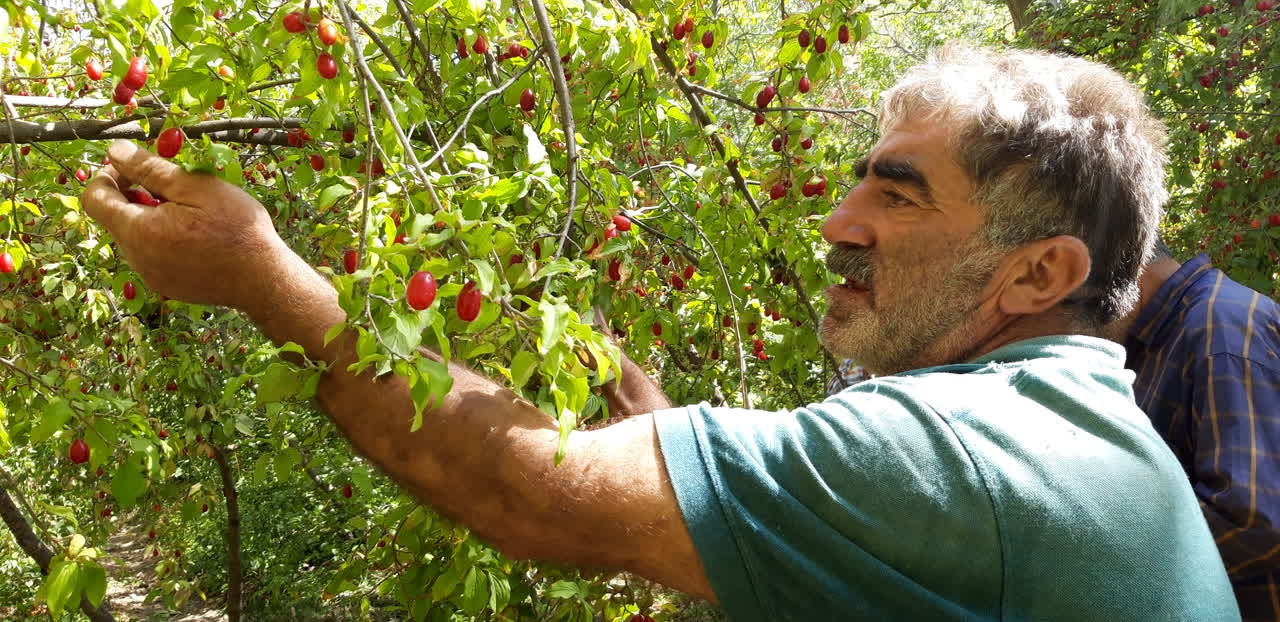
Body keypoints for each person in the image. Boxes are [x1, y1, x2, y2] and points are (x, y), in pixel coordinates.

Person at [81, 44, 1240, 621]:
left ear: (1038, 272)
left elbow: (532, 490)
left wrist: (263, 278)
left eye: (898, 193)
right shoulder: (1074, 432)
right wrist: (673, 431)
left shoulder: (960, 456)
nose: (836, 222)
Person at [1109, 241, 1280, 621]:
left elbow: (1252, 521)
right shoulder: (1162, 337)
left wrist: (1102, 559)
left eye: (1080, 300)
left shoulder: (1222, 329)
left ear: (1120, 271)